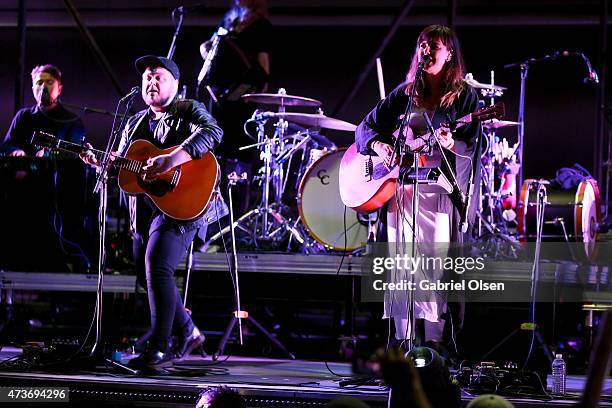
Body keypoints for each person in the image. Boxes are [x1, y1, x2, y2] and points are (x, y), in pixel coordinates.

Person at [82, 55, 224, 369]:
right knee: (151, 274)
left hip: (187, 204)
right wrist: (100, 162)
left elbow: (214, 133)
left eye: (158, 76)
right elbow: (123, 168)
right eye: (147, 77)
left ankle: (159, 348)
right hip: (151, 210)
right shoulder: (134, 122)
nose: (151, 82)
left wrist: (172, 160)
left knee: (156, 265)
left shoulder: (188, 109)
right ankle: (188, 331)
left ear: (175, 82)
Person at [355, 25, 481, 348]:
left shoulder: (465, 96)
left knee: (432, 266)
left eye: (434, 46)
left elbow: (473, 144)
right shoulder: (406, 92)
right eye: (422, 45)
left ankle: (434, 347)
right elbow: (365, 128)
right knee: (401, 265)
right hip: (403, 191)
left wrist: (451, 142)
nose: (426, 50)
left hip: (438, 192)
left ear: (449, 53)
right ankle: (403, 342)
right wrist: (380, 148)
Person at [2, 64, 85, 156]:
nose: (43, 87)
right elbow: (6, 145)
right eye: (39, 82)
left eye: (49, 82)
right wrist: (15, 151)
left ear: (59, 89)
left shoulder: (72, 120)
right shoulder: (23, 115)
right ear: (33, 89)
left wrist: (48, 155)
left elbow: (76, 157)